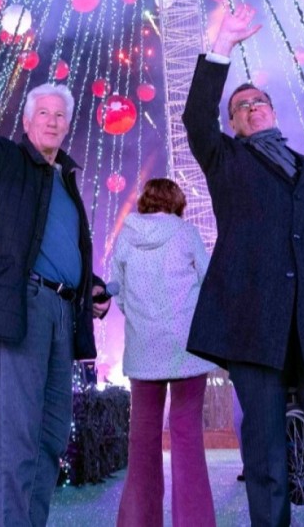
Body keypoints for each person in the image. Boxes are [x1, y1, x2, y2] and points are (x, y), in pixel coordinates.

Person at [181, 5, 304, 527]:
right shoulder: (226, 160)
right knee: (264, 453)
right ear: (233, 124)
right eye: (241, 106)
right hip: (255, 321)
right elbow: (194, 117)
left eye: (259, 101)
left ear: (273, 110)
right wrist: (219, 45)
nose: (252, 108)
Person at [0, 25, 109, 526]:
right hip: (24, 306)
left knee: (53, 433)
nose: (53, 122)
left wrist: (88, 286)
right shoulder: (7, 161)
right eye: (44, 114)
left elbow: (55, 243)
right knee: (19, 432)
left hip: (63, 311)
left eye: (61, 115)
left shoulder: (66, 179)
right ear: (27, 121)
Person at [109, 178, 217, 527]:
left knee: (141, 445)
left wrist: (143, 320)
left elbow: (120, 294)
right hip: (187, 351)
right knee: (188, 440)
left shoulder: (125, 237)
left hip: (143, 353)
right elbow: (208, 281)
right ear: (176, 201)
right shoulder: (186, 234)